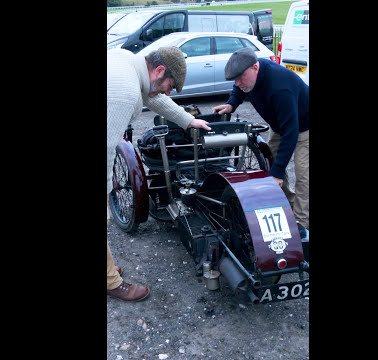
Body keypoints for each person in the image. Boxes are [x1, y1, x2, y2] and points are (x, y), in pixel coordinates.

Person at [107, 46, 211, 301]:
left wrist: (188, 120)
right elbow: (107, 147)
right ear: (160, 70)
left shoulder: (129, 62)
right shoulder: (124, 92)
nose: (168, 92)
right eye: (169, 86)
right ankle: (111, 282)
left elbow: (153, 96)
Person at [212, 48, 309, 238]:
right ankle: (287, 205)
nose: (238, 83)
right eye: (235, 79)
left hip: (304, 126)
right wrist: (232, 103)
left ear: (255, 67)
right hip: (280, 125)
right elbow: (238, 88)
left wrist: (279, 172)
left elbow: (291, 132)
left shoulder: (279, 87)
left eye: (241, 77)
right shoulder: (247, 77)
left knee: (302, 171)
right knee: (270, 162)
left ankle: (301, 222)